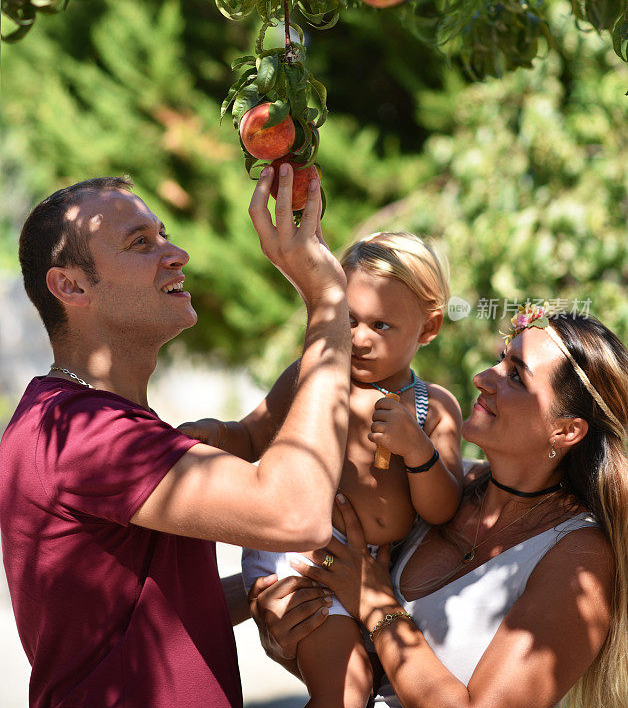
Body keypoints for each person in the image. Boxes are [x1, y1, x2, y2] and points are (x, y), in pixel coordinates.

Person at [0, 164, 350, 708]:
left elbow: (149, 610)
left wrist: (261, 593)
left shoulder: (86, 420)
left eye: (164, 233)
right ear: (70, 285)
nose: (176, 253)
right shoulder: (79, 433)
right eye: (141, 243)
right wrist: (327, 301)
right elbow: (295, 514)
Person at [252, 305, 628, 708]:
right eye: (502, 359)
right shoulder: (442, 487)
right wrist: (285, 629)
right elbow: (364, 668)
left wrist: (375, 603)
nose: (482, 377)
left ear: (566, 430)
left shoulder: (581, 560)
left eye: (516, 376)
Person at [182, 231, 464, 707]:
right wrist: (215, 435)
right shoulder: (311, 376)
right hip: (303, 560)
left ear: (429, 327)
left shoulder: (431, 408)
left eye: (382, 325)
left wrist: (417, 450)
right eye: (349, 320)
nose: (359, 338)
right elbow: (253, 436)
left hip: (374, 573)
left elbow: (441, 509)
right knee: (346, 690)